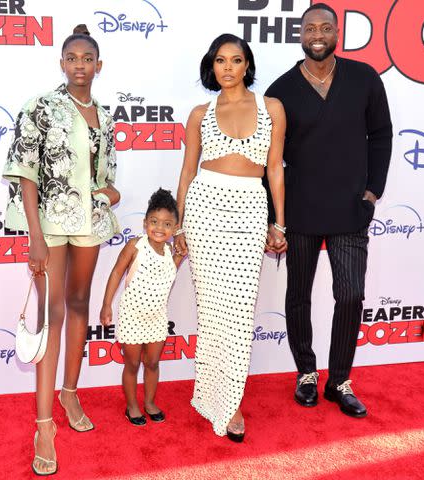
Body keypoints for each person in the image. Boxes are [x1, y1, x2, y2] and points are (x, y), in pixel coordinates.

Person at [264, 3, 392, 418]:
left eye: (325, 27)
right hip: (299, 210)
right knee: (298, 295)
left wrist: (373, 192)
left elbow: (382, 134)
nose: (317, 34)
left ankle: (339, 380)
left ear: (337, 33)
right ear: (300, 35)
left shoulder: (364, 78)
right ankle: (305, 372)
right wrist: (274, 216)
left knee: (351, 294)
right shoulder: (280, 89)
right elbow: (270, 159)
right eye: (309, 28)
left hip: (350, 209)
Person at [2, 25, 120, 475]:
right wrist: (34, 236)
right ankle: (45, 425)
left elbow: (106, 175)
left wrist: (110, 194)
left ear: (98, 65)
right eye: (71, 58)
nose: (79, 66)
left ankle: (71, 391)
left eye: (87, 58)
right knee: (51, 315)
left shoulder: (105, 117)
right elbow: (24, 173)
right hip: (48, 225)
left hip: (88, 223)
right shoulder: (40, 107)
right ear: (62, 64)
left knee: (78, 303)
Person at [175, 33, 287, 441]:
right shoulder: (199, 113)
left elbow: (275, 169)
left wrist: (280, 223)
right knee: (212, 311)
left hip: (249, 210)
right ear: (212, 65)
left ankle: (231, 399)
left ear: (246, 65)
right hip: (205, 208)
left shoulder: (271, 108)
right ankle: (215, 398)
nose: (227, 68)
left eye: (235, 60)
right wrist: (181, 225)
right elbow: (187, 171)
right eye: (220, 60)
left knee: (238, 312)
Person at [100, 188, 184, 426]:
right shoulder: (135, 246)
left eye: (167, 224)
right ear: (145, 222)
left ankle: (149, 402)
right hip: (132, 316)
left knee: (153, 363)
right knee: (133, 364)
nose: (160, 228)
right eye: (154, 222)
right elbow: (117, 272)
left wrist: (179, 255)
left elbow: (168, 275)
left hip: (157, 317)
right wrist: (107, 304)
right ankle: (132, 406)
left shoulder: (171, 252)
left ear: (175, 227)